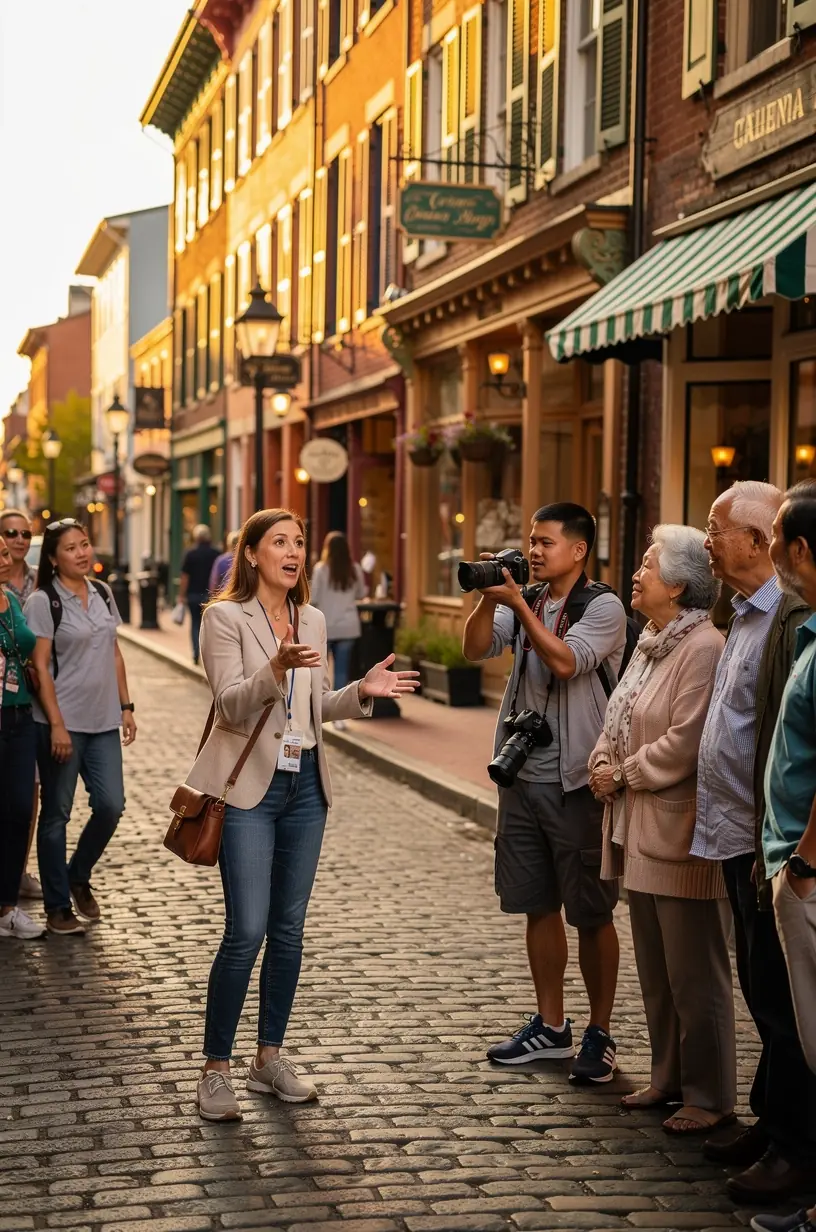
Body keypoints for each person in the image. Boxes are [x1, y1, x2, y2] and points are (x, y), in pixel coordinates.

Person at [185, 508, 418, 1122]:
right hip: (249, 796)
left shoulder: (312, 618)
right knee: (246, 932)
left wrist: (361, 693)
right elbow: (232, 705)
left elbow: (316, 712)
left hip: (306, 789)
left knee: (289, 932)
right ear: (253, 553)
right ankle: (215, 1071)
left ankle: (268, 1059)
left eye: (298, 543)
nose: (292, 552)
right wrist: (276, 669)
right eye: (279, 543)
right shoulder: (224, 618)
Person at [462, 502, 626, 1083]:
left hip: (576, 779)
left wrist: (519, 610)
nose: (533, 551)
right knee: (538, 904)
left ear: (578, 550)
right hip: (521, 774)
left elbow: (566, 663)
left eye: (545, 542)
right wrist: (489, 595)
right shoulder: (527, 597)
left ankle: (600, 1034)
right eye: (530, 541)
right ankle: (551, 1027)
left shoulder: (602, 605)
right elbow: (474, 649)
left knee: (591, 912)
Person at [690, 481, 816, 1202]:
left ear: (761, 541)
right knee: (763, 989)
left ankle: (798, 1147)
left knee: (782, 998)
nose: (708, 541)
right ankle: (774, 1120)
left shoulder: (794, 620)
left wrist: (796, 850)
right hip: (740, 833)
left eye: (717, 528)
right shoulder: (736, 611)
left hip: (779, 844)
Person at [589, 526, 733, 1134]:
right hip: (636, 828)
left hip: (679, 835)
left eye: (648, 563)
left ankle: (710, 1093)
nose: (637, 571)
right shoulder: (651, 640)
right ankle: (667, 1075)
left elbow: (688, 740)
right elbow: (619, 712)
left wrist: (621, 773)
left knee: (694, 972)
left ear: (676, 586)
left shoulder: (704, 646)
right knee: (655, 966)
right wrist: (600, 758)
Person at [746, 482, 816, 1232]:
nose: (769, 549)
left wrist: (801, 863)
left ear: (798, 549)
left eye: (773, 535)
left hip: (804, 869)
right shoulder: (811, 629)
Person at [24, 520, 137, 936]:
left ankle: (77, 873)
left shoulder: (103, 592)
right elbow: (39, 665)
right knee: (56, 815)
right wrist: (56, 725)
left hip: (104, 719)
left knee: (112, 805)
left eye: (85, 544)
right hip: (62, 723)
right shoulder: (43, 601)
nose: (82, 553)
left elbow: (115, 652)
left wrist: (126, 706)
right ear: (54, 559)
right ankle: (57, 906)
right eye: (71, 548)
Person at [0, 534, 45, 939]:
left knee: (19, 812)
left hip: (19, 716)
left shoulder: (12, 601)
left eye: (3, 552)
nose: (4, 558)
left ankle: (7, 907)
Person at [309, 532, 366, 731]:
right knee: (341, 671)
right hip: (348, 626)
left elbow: (313, 597)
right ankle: (338, 717)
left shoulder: (321, 569)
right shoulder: (354, 569)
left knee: (321, 670)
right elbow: (361, 593)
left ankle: (318, 709)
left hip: (326, 627)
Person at [179, 525, 220, 664]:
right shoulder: (216, 554)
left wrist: (181, 595)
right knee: (209, 626)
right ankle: (208, 655)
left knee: (195, 623)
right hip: (210, 595)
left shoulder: (190, 554)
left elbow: (185, 577)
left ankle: (196, 652)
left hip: (193, 594)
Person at [209, 531, 240, 597]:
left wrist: (213, 597)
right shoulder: (246, 558)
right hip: (241, 595)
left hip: (225, 595)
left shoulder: (221, 560)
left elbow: (214, 581)